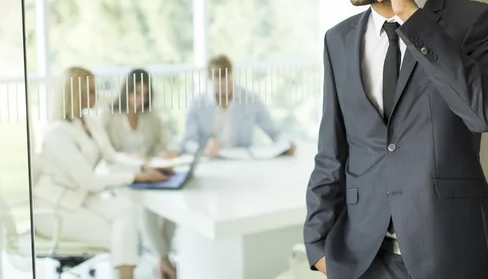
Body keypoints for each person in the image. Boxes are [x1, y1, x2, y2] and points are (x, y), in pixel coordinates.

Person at [304, 0, 488, 279]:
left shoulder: (475, 21)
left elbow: (487, 113)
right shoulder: (338, 40)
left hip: (450, 252)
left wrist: (412, 19)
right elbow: (331, 150)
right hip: (362, 259)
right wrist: (317, 244)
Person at [33, 67, 169, 279]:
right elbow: (88, 179)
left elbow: (113, 156)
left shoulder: (89, 122)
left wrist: (143, 168)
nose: (96, 96)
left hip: (81, 199)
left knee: (126, 209)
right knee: (122, 235)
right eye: (91, 91)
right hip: (56, 209)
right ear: (74, 95)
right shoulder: (57, 133)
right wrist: (134, 177)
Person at [102, 68, 178, 279]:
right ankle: (164, 260)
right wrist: (133, 161)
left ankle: (163, 258)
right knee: (147, 209)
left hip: (149, 172)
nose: (139, 99)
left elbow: (165, 141)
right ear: (126, 91)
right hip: (122, 175)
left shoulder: (150, 115)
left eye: (144, 94)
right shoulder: (111, 115)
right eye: (136, 93)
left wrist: (167, 151)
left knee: (172, 207)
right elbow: (106, 153)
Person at [180, 54, 296, 157]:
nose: (224, 84)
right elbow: (189, 141)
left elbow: (275, 132)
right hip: (210, 162)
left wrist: (286, 144)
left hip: (242, 162)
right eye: (219, 80)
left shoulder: (251, 99)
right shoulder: (196, 102)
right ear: (210, 79)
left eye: (227, 79)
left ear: (232, 74)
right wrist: (203, 149)